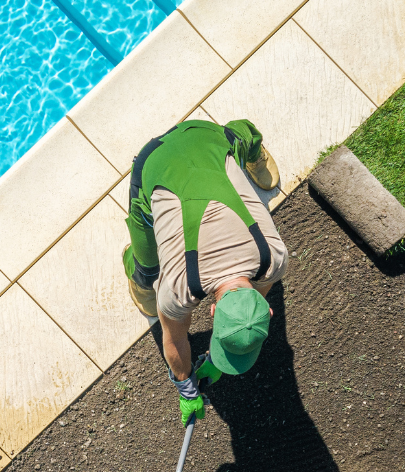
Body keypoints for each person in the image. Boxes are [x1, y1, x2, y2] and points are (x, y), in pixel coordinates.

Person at [122, 118, 288, 423]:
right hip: (158, 161)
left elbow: (256, 299)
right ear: (211, 314)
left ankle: (249, 153)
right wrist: (184, 385)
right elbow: (173, 338)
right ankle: (252, 149)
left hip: (207, 143)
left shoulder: (274, 259)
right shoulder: (178, 289)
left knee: (232, 151)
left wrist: (211, 359)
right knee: (147, 270)